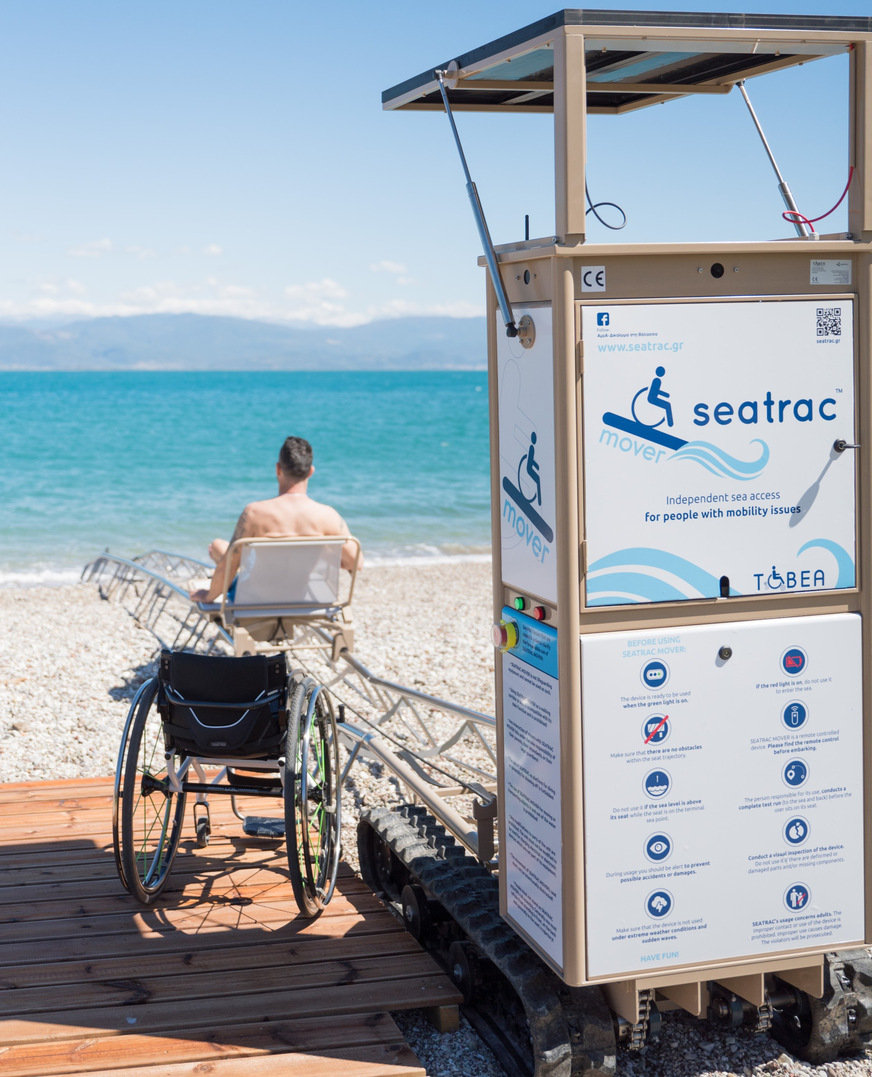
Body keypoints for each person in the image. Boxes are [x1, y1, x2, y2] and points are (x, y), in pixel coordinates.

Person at [189, 436, 360, 603]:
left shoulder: (254, 513)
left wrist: (209, 596)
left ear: (278, 469)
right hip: (303, 599)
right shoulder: (328, 515)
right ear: (311, 471)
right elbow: (356, 562)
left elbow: (229, 565)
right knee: (219, 547)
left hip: (255, 600)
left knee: (219, 547)